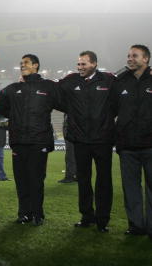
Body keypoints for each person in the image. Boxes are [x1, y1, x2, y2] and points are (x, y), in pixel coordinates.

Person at [0, 54, 62, 226]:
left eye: (25, 63)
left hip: (39, 141)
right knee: (21, 181)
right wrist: (15, 118)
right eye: (20, 63)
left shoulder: (48, 87)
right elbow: (0, 106)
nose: (22, 65)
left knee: (36, 179)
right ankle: (24, 214)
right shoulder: (12, 89)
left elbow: (64, 103)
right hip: (18, 142)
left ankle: (38, 214)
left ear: (36, 65)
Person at [58, 51, 115, 232]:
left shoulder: (108, 80)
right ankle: (86, 216)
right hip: (80, 140)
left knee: (104, 181)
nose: (80, 67)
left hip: (103, 140)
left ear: (94, 64)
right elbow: (52, 90)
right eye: (79, 64)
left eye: (83, 64)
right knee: (83, 180)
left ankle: (102, 220)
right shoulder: (71, 81)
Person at [111, 44, 152, 240]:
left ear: (146, 59)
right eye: (128, 55)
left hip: (151, 145)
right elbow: (111, 110)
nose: (129, 58)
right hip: (127, 145)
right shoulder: (120, 82)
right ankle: (136, 226)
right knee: (131, 189)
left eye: (134, 56)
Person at [58, 115, 77, 183]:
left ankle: (69, 176)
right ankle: (76, 175)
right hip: (74, 136)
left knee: (70, 157)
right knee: (75, 156)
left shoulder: (70, 110)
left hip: (71, 136)